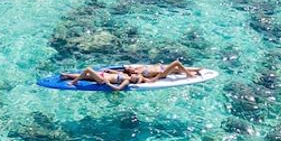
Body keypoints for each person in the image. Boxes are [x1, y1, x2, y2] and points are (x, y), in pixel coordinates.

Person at [60, 60, 201, 90]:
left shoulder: (134, 79)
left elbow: (118, 88)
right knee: (87, 74)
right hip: (104, 77)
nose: (132, 72)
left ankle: (192, 73)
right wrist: (113, 72)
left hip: (103, 80)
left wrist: (107, 84)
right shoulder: (133, 76)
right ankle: (67, 76)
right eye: (131, 71)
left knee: (88, 73)